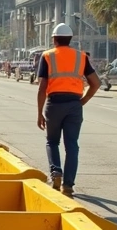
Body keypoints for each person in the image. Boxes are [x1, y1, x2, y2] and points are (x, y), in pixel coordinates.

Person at [35, 23, 99, 196]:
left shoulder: (47, 56)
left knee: (52, 141)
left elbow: (42, 87)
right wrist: (82, 101)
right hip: (74, 104)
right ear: (70, 39)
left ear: (54, 39)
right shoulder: (81, 57)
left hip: (54, 103)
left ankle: (56, 171)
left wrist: (39, 112)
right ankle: (68, 185)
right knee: (72, 145)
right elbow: (96, 83)